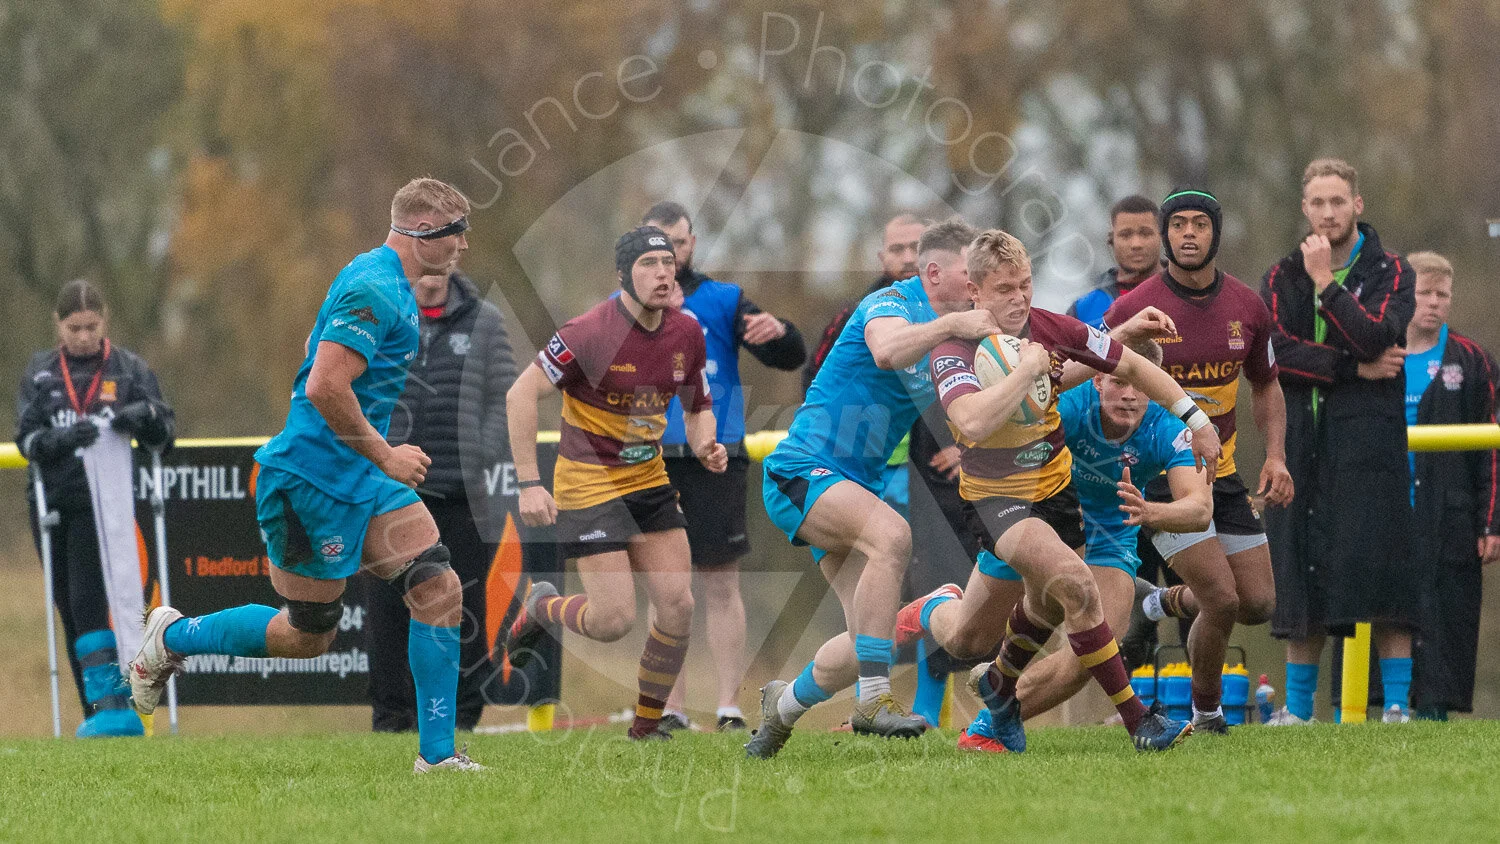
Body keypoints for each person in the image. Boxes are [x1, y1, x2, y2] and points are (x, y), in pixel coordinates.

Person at [130, 177, 483, 772]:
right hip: (308, 482)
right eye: (456, 233)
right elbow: (323, 383)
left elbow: (316, 347)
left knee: (437, 588)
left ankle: (438, 758)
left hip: (363, 478)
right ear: (423, 234)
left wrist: (374, 457)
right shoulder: (376, 287)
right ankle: (171, 639)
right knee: (309, 634)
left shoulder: (378, 276)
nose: (464, 246)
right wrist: (388, 455)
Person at [897, 230, 1216, 754]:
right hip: (998, 502)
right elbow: (972, 422)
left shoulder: (1048, 326)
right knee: (1074, 585)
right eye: (1004, 289)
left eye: (1025, 285)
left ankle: (993, 679)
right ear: (975, 291)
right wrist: (1025, 370)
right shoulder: (953, 349)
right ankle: (1141, 723)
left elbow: (1130, 363)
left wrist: (1195, 417)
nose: (1019, 298)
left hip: (1056, 493)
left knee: (985, 632)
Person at [745, 219, 998, 759]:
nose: (977, 283)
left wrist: (1112, 347)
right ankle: (875, 702)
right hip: (801, 469)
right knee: (893, 536)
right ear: (934, 273)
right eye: (967, 273)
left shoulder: (955, 334)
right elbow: (886, 352)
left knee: (868, 640)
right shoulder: (892, 303)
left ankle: (782, 706)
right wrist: (952, 323)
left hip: (847, 484)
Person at [503, 226, 727, 741]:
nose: (664, 273)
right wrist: (529, 483)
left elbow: (698, 407)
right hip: (589, 485)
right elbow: (519, 396)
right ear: (623, 276)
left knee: (678, 606)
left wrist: (704, 445)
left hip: (648, 480)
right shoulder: (588, 332)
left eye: (669, 263)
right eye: (649, 264)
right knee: (612, 620)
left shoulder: (687, 333)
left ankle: (646, 728)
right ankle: (542, 607)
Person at [950, 338, 1212, 739]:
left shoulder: (1168, 430)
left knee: (1085, 658)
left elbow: (1199, 510)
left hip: (1110, 533)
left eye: (1139, 385)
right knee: (966, 640)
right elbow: (1000, 433)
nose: (1128, 395)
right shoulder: (1069, 407)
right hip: (1040, 519)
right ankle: (934, 608)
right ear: (1096, 382)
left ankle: (987, 727)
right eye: (1118, 381)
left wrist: (1149, 512)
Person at [1108, 187, 1293, 734]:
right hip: (1163, 476)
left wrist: (1277, 456)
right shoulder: (1133, 307)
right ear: (1166, 235)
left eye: (1200, 224)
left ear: (1216, 233)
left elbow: (1266, 386)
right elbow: (1099, 381)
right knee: (1221, 599)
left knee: (1258, 603)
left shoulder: (1247, 307)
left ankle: (1158, 603)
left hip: (1225, 472)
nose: (1188, 233)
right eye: (1179, 224)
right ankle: (1208, 714)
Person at [1258, 160, 1416, 725]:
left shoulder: (1392, 272)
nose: (1328, 213)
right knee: (1299, 573)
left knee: (1382, 569)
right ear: (1304, 208)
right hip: (1300, 444)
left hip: (1370, 448)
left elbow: (1377, 333)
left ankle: (1397, 706)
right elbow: (1279, 355)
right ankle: (1297, 712)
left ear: (1358, 205)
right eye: (1318, 203)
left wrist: (1327, 284)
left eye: (1338, 202)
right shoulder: (1280, 277)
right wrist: (1353, 368)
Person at [640, 201, 806, 733]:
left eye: (679, 244)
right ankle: (670, 708)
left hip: (716, 454)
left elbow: (789, 355)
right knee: (667, 587)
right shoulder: (627, 306)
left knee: (719, 583)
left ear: (692, 244)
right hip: (651, 455)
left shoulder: (723, 300)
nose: (669, 258)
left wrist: (780, 332)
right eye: (658, 247)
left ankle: (730, 706)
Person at [17, 279, 175, 738]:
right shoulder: (42, 372)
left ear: (104, 321)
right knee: (68, 606)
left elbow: (165, 434)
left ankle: (113, 707)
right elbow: (26, 439)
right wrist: (60, 439)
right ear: (58, 325)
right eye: (74, 328)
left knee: (90, 602)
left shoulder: (128, 369)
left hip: (100, 502)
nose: (83, 336)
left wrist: (141, 418)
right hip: (51, 501)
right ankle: (96, 711)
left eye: (91, 326)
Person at [365, 267, 517, 734]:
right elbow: (356, 391)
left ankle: (462, 718)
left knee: (465, 609)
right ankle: (391, 718)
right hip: (390, 495)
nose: (431, 276)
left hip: (462, 497)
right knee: (388, 614)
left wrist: (478, 451)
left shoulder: (486, 321)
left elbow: (507, 399)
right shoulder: (380, 315)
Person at [1400, 252, 1500, 720]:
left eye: (1443, 294)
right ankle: (1384, 708)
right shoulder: (1378, 354)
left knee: (1447, 618)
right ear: (1404, 293)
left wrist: (1490, 520)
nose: (1434, 303)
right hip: (1389, 510)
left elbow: (1491, 449)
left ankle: (1434, 711)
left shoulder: (1472, 359)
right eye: (1425, 292)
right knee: (1386, 610)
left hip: (1451, 515)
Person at [1068, 195, 1163, 330]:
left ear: (1162, 236)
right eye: (1125, 235)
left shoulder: (1188, 295)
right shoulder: (1083, 310)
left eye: (1145, 233)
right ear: (1111, 240)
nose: (1136, 244)